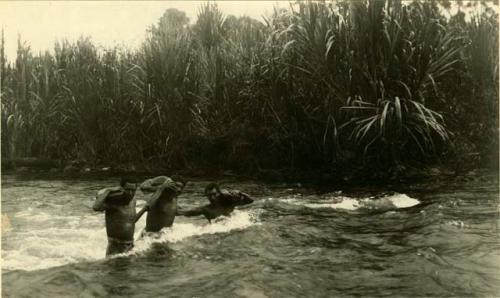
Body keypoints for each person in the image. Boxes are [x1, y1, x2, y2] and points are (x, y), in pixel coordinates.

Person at [93, 178, 138, 256]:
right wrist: (108, 191)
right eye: (128, 190)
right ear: (122, 190)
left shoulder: (133, 200)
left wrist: (144, 209)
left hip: (130, 245)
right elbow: (96, 207)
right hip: (116, 247)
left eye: (133, 190)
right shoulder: (114, 202)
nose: (131, 193)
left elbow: (131, 220)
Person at [177, 182, 254, 223]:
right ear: (206, 196)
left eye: (214, 194)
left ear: (218, 193)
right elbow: (186, 213)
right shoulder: (206, 209)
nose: (212, 198)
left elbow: (250, 200)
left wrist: (241, 193)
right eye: (209, 195)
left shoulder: (228, 202)